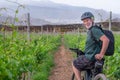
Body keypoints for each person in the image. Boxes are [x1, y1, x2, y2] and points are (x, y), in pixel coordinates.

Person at [72, 12, 110, 80]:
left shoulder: (94, 30)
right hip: (95, 59)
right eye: (84, 21)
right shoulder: (91, 30)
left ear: (92, 20)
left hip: (91, 59)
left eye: (87, 20)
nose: (86, 22)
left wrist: (101, 54)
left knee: (74, 63)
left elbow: (106, 40)